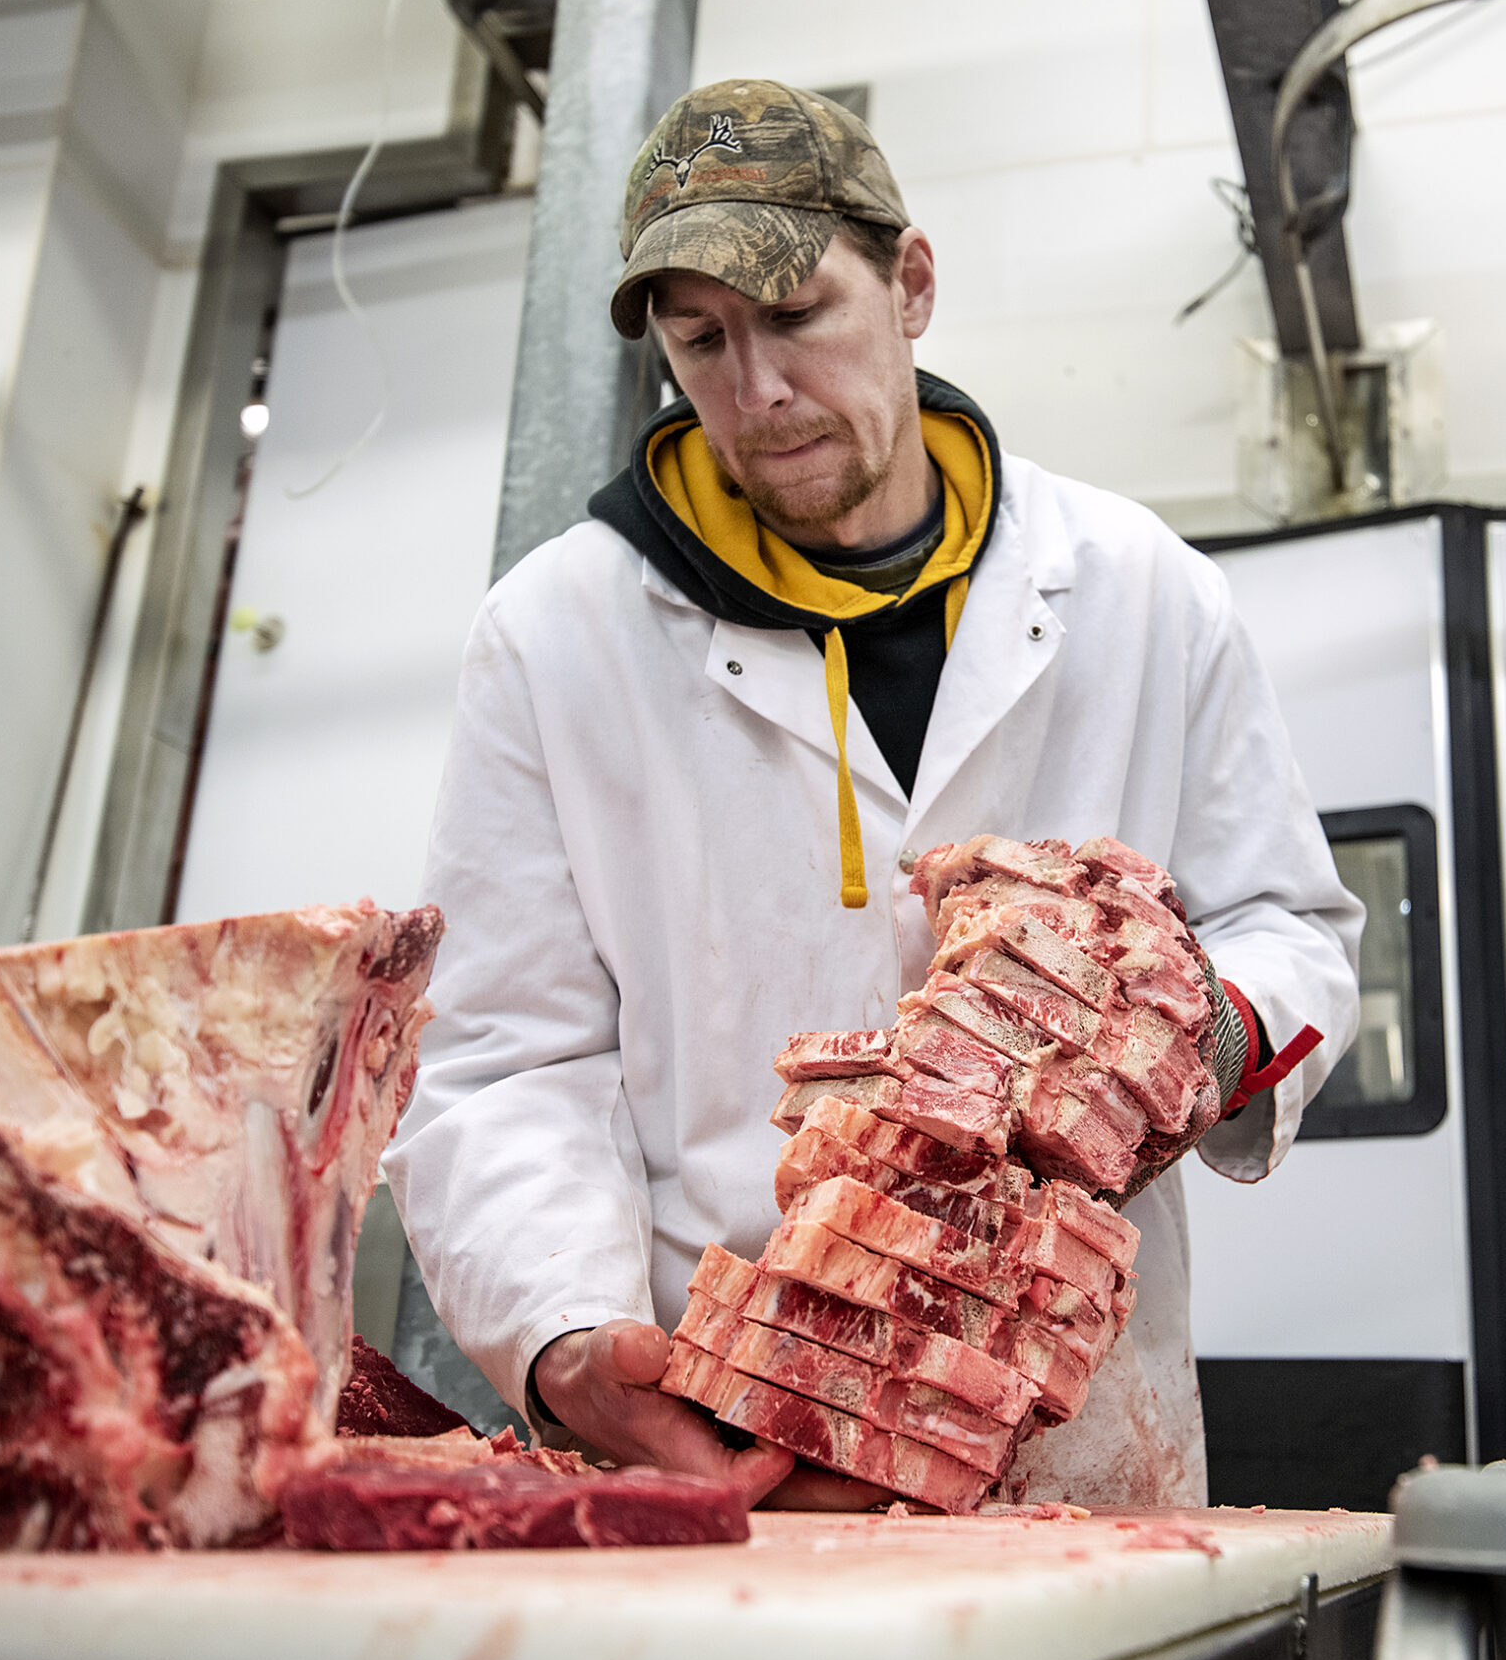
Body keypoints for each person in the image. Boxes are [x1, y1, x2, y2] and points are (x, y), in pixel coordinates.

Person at [384, 79, 1360, 1508]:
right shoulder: (557, 635)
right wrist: (562, 1338)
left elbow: (1290, 925)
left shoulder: (1139, 591)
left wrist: (1193, 1034)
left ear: (910, 283)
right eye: (699, 339)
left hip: (1073, 1426)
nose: (756, 389)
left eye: (794, 316)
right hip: (737, 1436)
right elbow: (500, 1057)